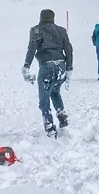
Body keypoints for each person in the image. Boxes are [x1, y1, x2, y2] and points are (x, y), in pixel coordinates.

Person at [22, 9, 73, 137]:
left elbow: (32, 49)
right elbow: (68, 49)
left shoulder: (36, 30)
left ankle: (50, 127)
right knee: (55, 91)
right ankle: (62, 115)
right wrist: (69, 67)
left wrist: (26, 65)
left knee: (44, 99)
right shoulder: (61, 30)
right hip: (61, 65)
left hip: (47, 66)